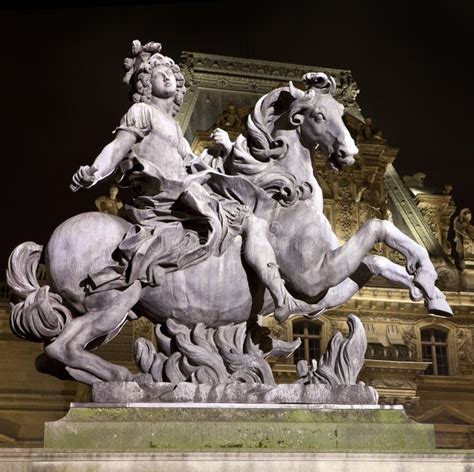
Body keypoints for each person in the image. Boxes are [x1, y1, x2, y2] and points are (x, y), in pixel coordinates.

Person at [71, 40, 315, 321]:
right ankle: (281, 296)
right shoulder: (142, 113)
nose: (167, 76)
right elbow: (116, 147)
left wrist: (225, 149)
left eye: (170, 73)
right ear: (147, 84)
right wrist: (94, 172)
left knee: (240, 202)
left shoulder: (174, 126)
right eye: (158, 73)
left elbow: (195, 162)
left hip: (181, 188)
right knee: (250, 220)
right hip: (165, 193)